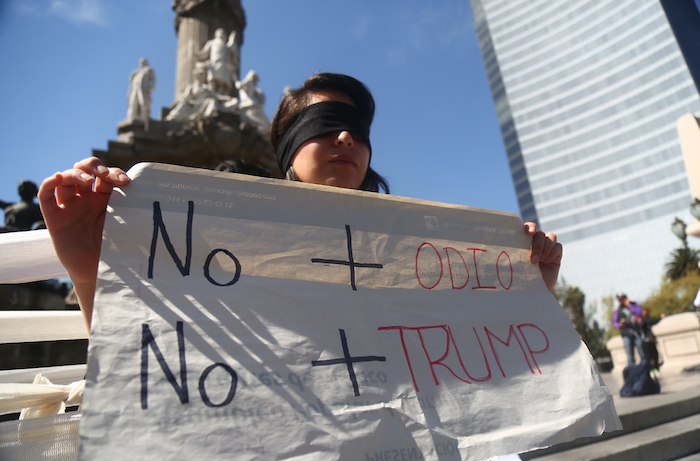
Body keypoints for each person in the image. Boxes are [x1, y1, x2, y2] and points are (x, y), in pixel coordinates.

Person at [39, 72, 563, 330]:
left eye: (356, 130)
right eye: (327, 126)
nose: (345, 139)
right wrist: (91, 274)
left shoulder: (414, 251)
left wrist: (529, 291)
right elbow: (158, 351)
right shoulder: (225, 226)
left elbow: (461, 345)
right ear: (289, 149)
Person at [613, 293, 645, 367]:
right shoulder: (618, 310)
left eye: (624, 298)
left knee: (641, 349)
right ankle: (633, 371)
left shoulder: (634, 305)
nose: (623, 300)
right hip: (626, 334)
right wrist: (620, 325)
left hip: (636, 332)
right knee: (630, 355)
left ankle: (644, 368)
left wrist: (629, 306)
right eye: (621, 299)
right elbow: (615, 323)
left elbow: (639, 313)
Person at [126, 58, 156, 127]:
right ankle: (132, 121)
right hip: (134, 91)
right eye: (140, 62)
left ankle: (144, 122)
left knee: (144, 105)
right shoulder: (136, 73)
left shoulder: (149, 70)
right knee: (133, 105)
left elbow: (153, 81)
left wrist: (148, 88)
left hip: (143, 91)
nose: (141, 64)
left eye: (143, 62)